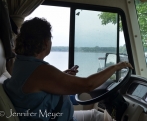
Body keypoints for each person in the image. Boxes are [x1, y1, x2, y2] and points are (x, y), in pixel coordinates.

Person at [3, 17, 133, 121]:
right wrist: (116, 66)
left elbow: (37, 84)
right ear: (45, 42)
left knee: (96, 115)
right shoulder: (40, 70)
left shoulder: (20, 63)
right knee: (98, 117)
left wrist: (62, 76)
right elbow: (88, 84)